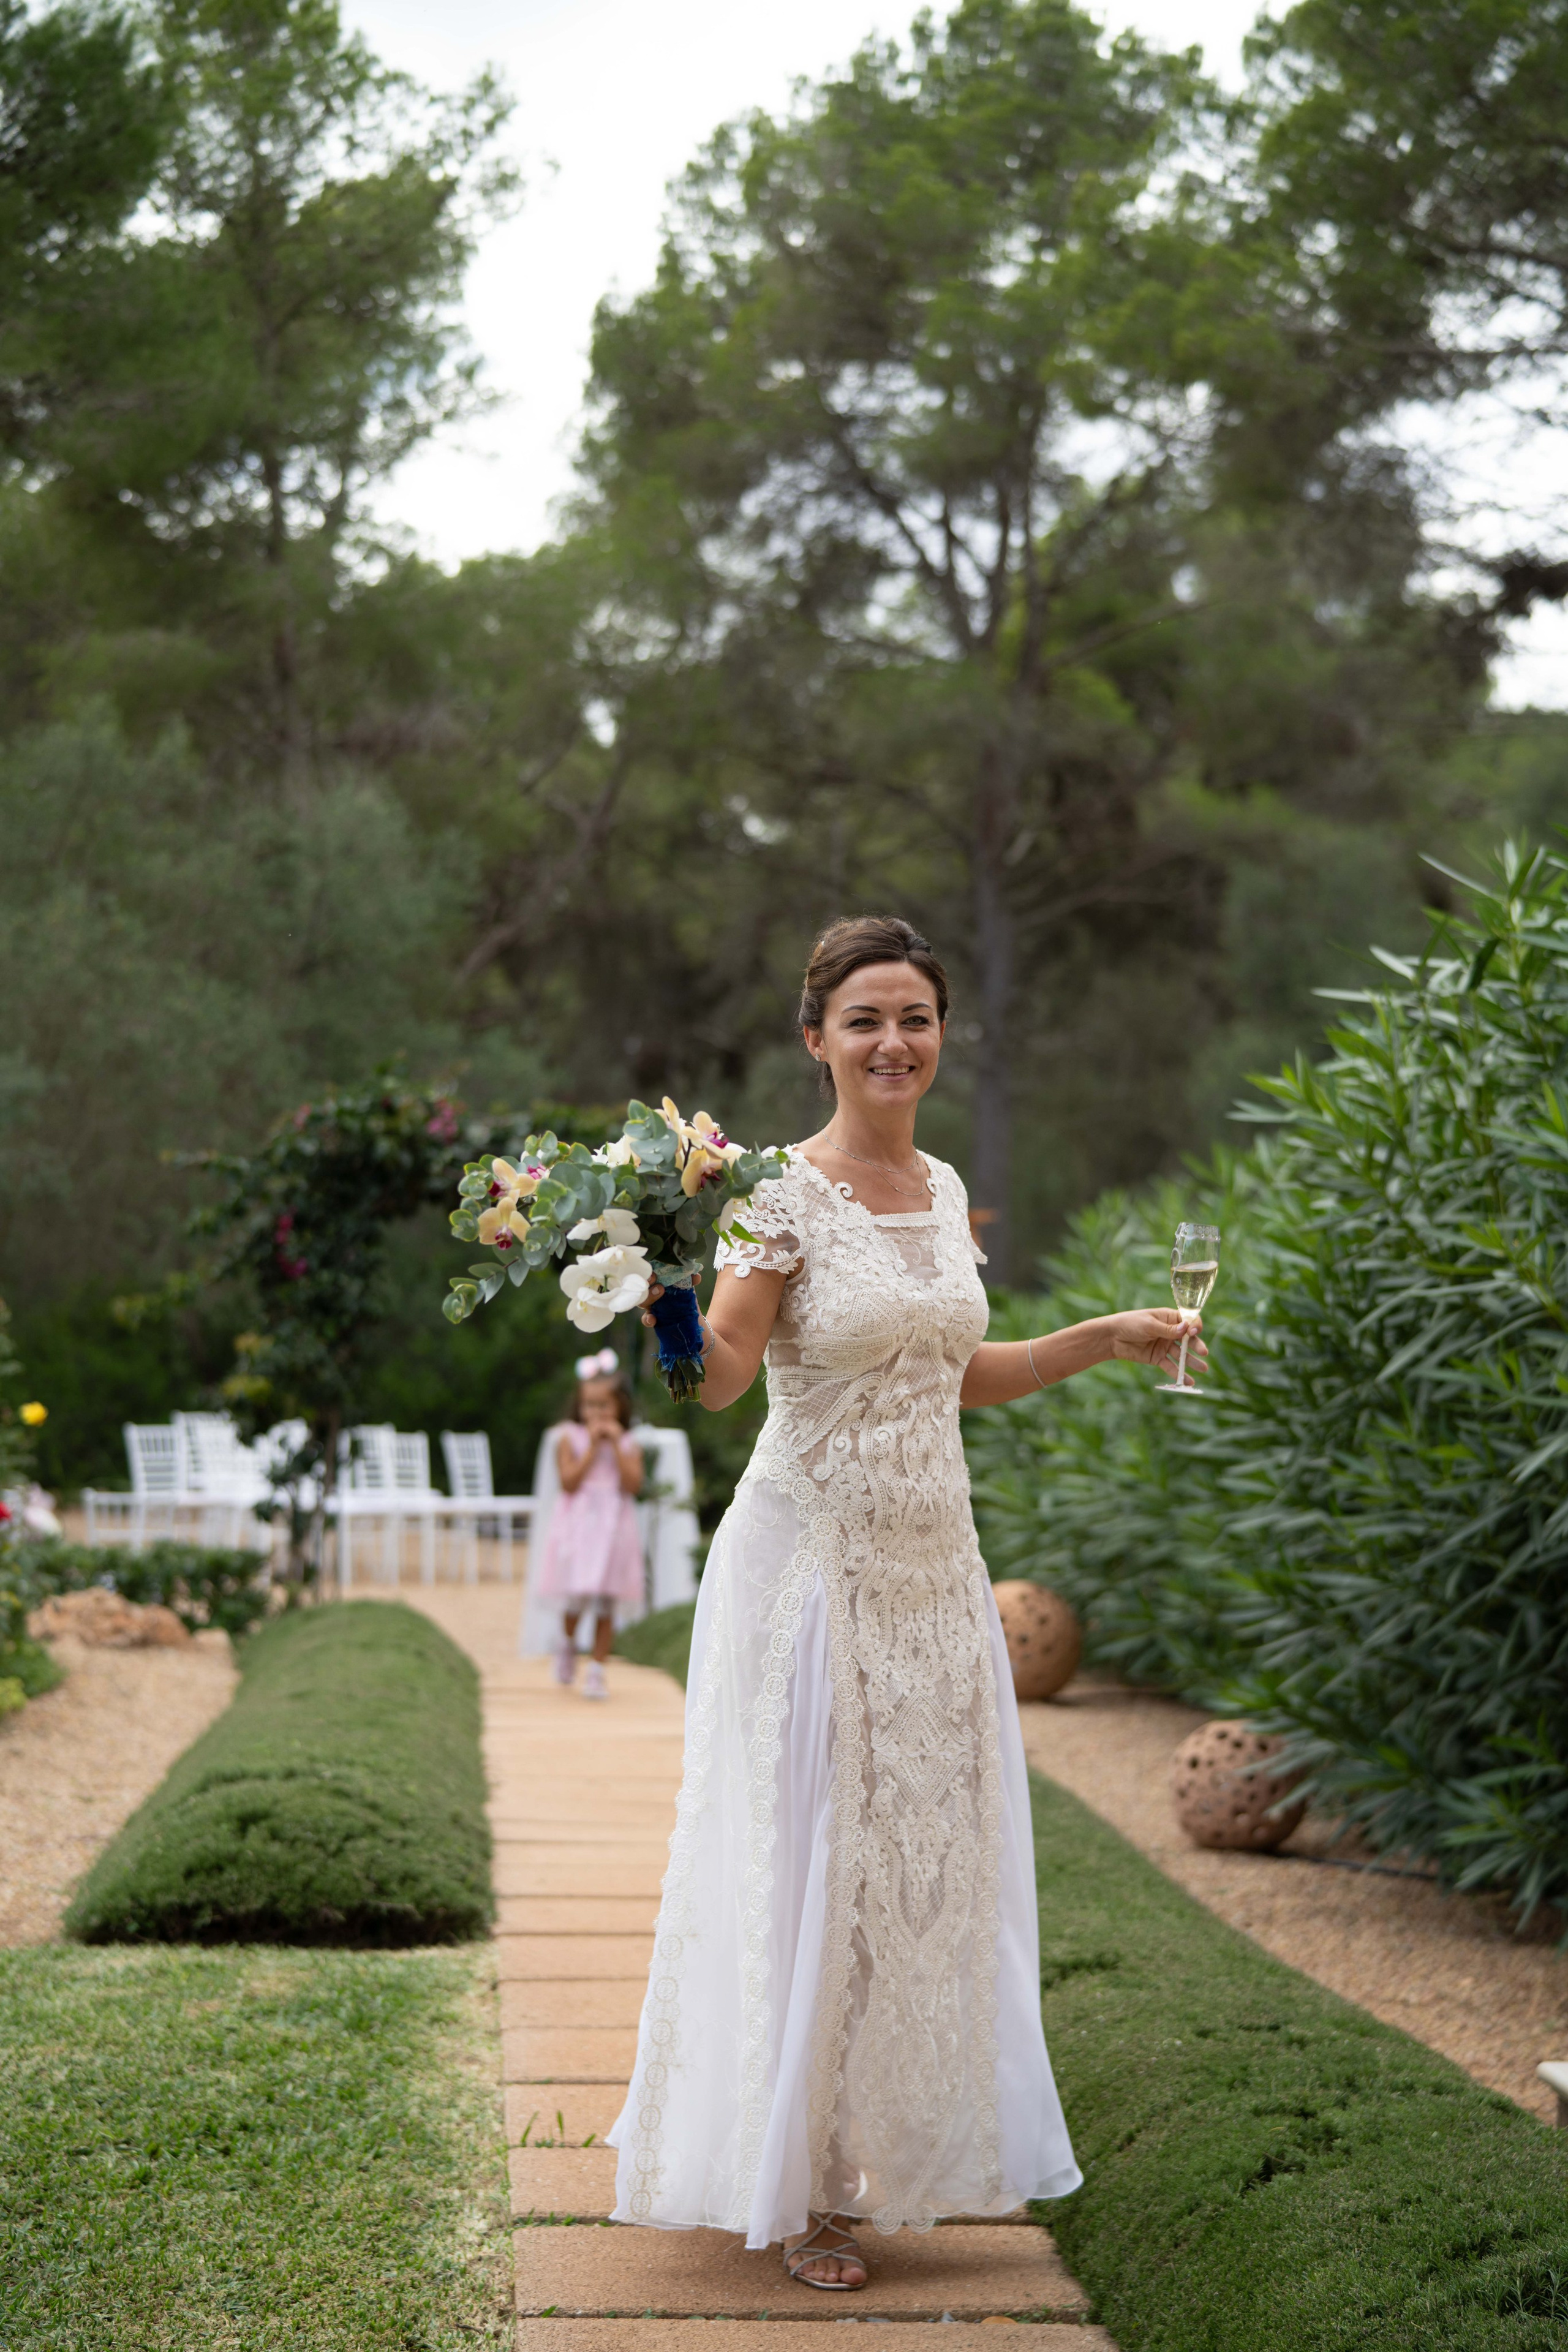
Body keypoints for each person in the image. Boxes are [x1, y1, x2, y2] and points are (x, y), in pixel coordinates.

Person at [605, 914, 1207, 2288]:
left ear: (942, 1037)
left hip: (937, 1571)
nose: (894, 1042)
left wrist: (1110, 1337)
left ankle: (880, 2147)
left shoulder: (938, 1188)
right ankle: (806, 2189)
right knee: (817, 1862)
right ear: (813, 1038)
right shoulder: (778, 1198)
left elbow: (959, 1369)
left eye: (916, 1019)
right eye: (865, 1019)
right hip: (812, 1571)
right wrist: (671, 1313)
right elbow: (723, 1380)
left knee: (918, 1872)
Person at [532, 1352, 644, 1700]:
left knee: (607, 1601)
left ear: (620, 1407)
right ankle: (567, 1644)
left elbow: (632, 1485)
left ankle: (597, 1670)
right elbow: (568, 1482)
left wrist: (616, 1446)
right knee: (577, 1597)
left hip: (614, 1530)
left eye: (604, 1407)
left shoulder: (629, 1443)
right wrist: (594, 1448)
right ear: (579, 1407)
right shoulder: (570, 1437)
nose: (597, 1414)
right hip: (580, 1529)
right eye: (590, 1406)